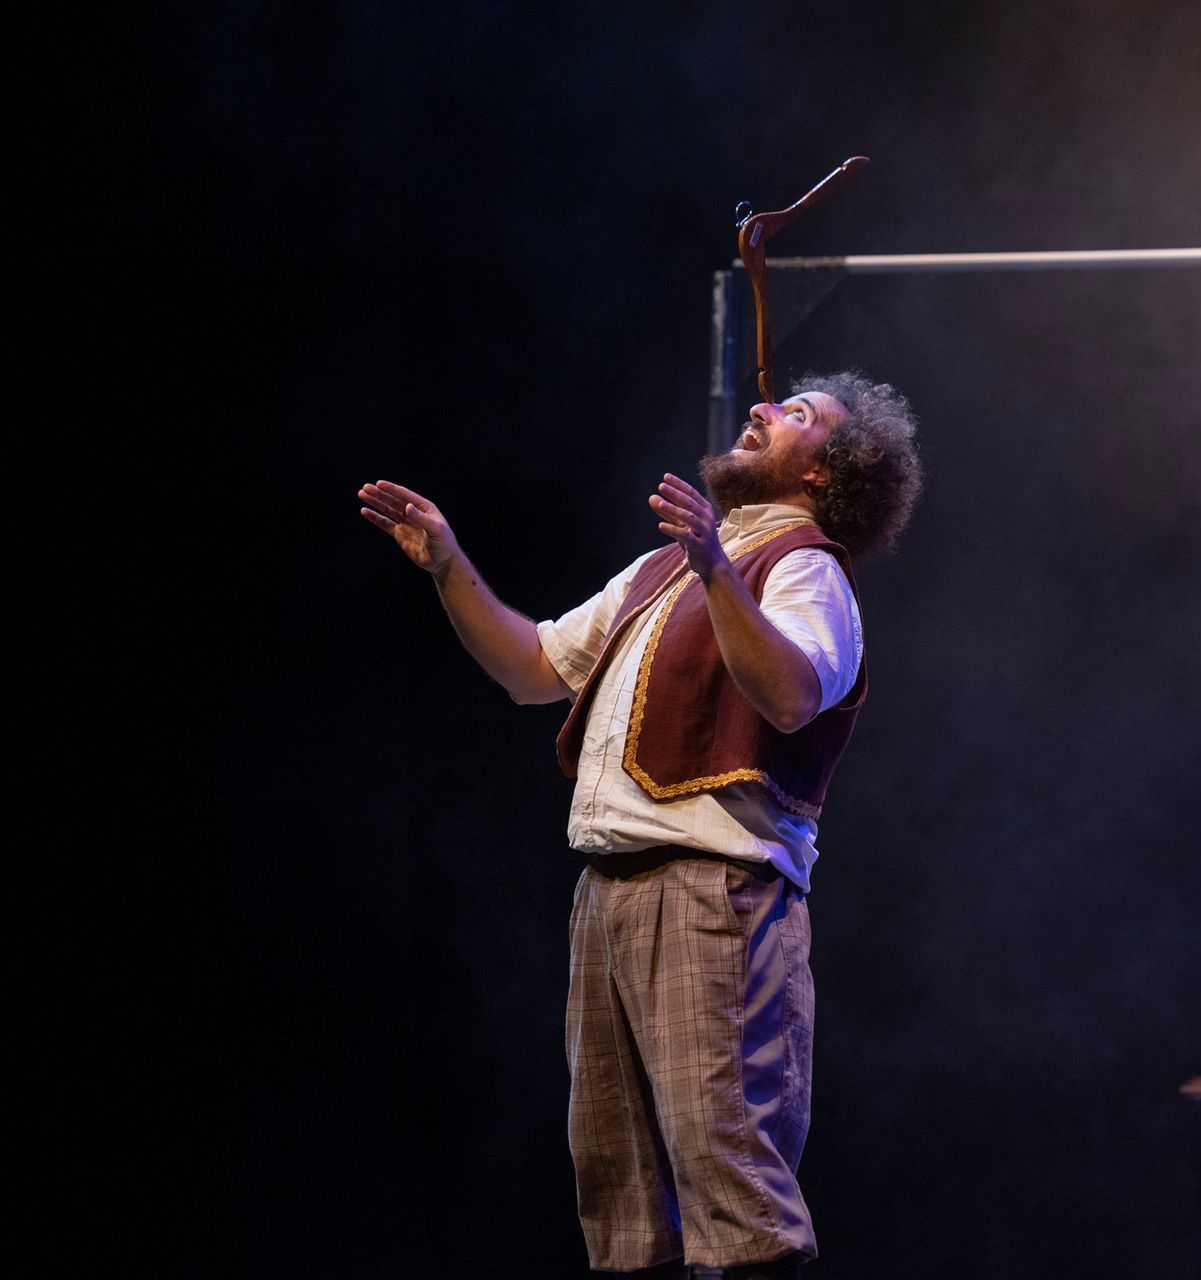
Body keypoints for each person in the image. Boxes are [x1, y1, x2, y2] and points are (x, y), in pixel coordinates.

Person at [358, 371, 922, 1279]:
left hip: (713, 893)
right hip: (608, 895)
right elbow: (532, 667)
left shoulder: (806, 567)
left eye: (797, 414)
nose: (761, 410)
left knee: (733, 1191)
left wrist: (718, 568)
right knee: (623, 1208)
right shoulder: (662, 570)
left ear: (826, 471)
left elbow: (789, 695)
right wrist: (448, 565)